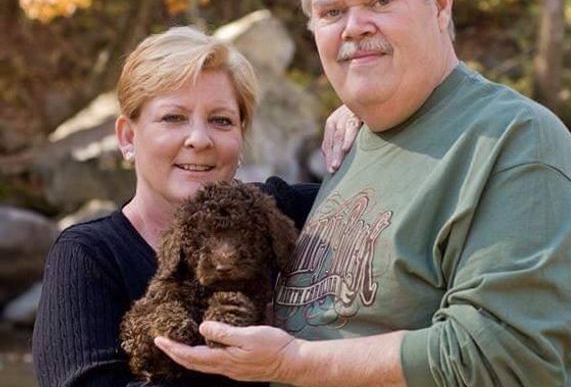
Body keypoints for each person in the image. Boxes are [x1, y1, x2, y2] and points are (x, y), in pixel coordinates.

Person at [155, 0, 571, 386]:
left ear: (440, 3)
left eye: (380, 1)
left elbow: (507, 357)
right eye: (332, 12)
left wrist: (292, 362)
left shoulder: (516, 142)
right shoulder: (353, 144)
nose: (354, 27)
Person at [31, 25, 359, 387]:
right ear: (127, 137)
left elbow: (377, 190)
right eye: (173, 117)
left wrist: (363, 112)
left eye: (221, 120)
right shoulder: (87, 256)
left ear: (241, 137)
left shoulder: (271, 213)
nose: (200, 139)